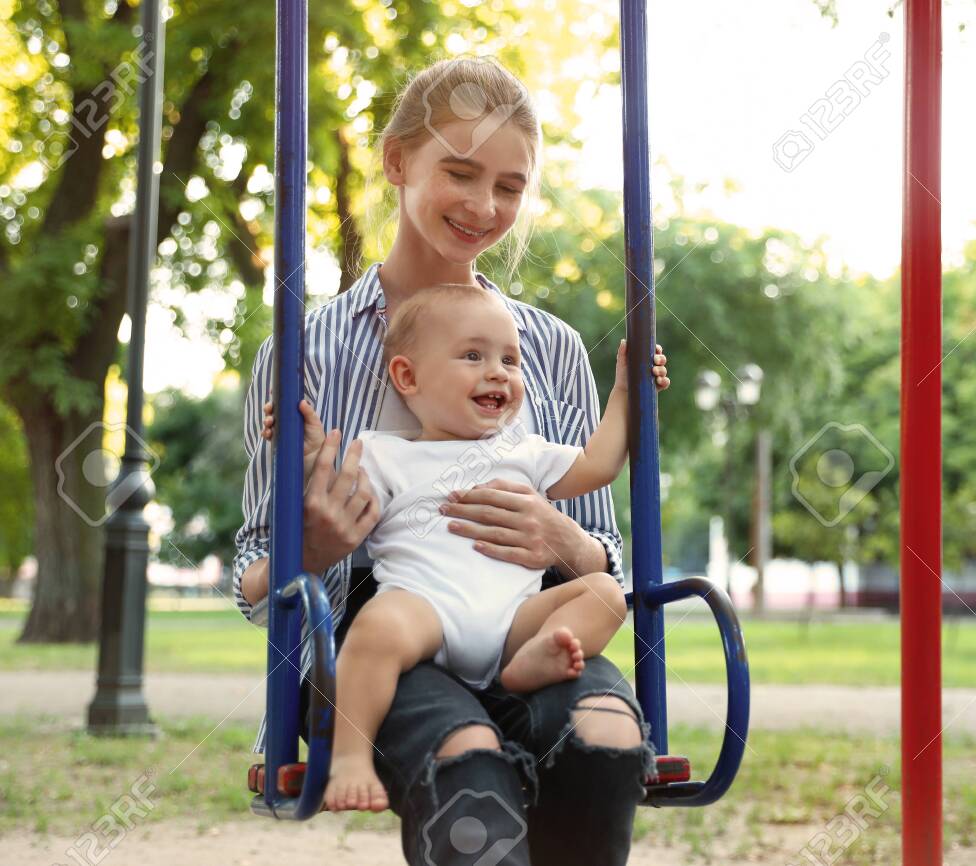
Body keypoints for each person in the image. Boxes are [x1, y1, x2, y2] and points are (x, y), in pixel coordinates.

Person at [233, 56, 658, 865]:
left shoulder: (549, 348)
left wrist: (560, 538)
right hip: (386, 630)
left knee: (605, 739)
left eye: (509, 186)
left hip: (526, 620)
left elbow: (604, 551)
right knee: (469, 768)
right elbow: (256, 580)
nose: (484, 206)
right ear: (397, 162)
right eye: (460, 173)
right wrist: (313, 547)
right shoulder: (305, 351)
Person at [259, 286, 669, 813]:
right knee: (374, 630)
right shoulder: (384, 454)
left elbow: (598, 465)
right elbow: (337, 503)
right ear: (408, 377)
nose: (497, 372)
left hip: (515, 620)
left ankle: (534, 659)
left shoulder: (525, 450)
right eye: (473, 356)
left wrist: (626, 394)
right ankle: (350, 757)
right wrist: (307, 454)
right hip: (425, 613)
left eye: (510, 360)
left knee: (606, 592)